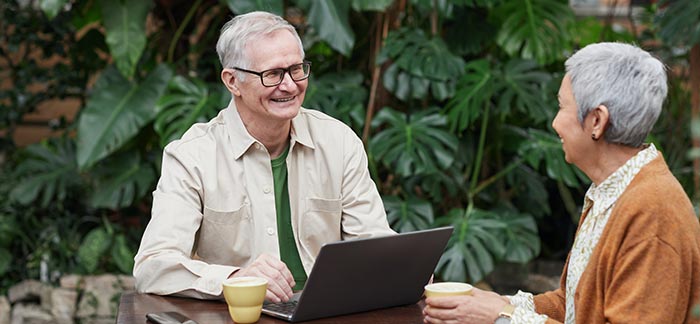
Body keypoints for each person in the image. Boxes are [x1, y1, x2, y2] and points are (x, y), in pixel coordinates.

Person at [423, 42, 700, 324]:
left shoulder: (653, 213)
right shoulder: (614, 190)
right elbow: (573, 306)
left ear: (596, 121)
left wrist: (503, 318)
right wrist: (503, 303)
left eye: (562, 106)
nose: (555, 123)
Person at [133, 11, 395, 302]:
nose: (290, 85)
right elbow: (152, 266)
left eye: (296, 69)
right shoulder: (192, 156)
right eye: (273, 74)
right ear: (232, 81)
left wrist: (403, 265)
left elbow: (373, 244)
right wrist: (235, 280)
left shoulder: (339, 142)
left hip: (328, 310)